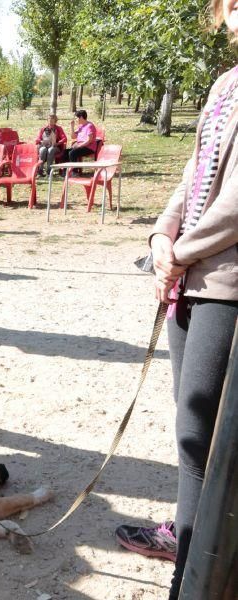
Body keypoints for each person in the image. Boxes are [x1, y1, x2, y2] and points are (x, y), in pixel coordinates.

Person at [115, 3, 238, 597]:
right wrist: (161, 233)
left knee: (211, 442)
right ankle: (190, 558)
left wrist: (182, 249)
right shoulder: (224, 83)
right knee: (193, 436)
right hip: (190, 276)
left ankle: (197, 578)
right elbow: (194, 173)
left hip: (226, 287)